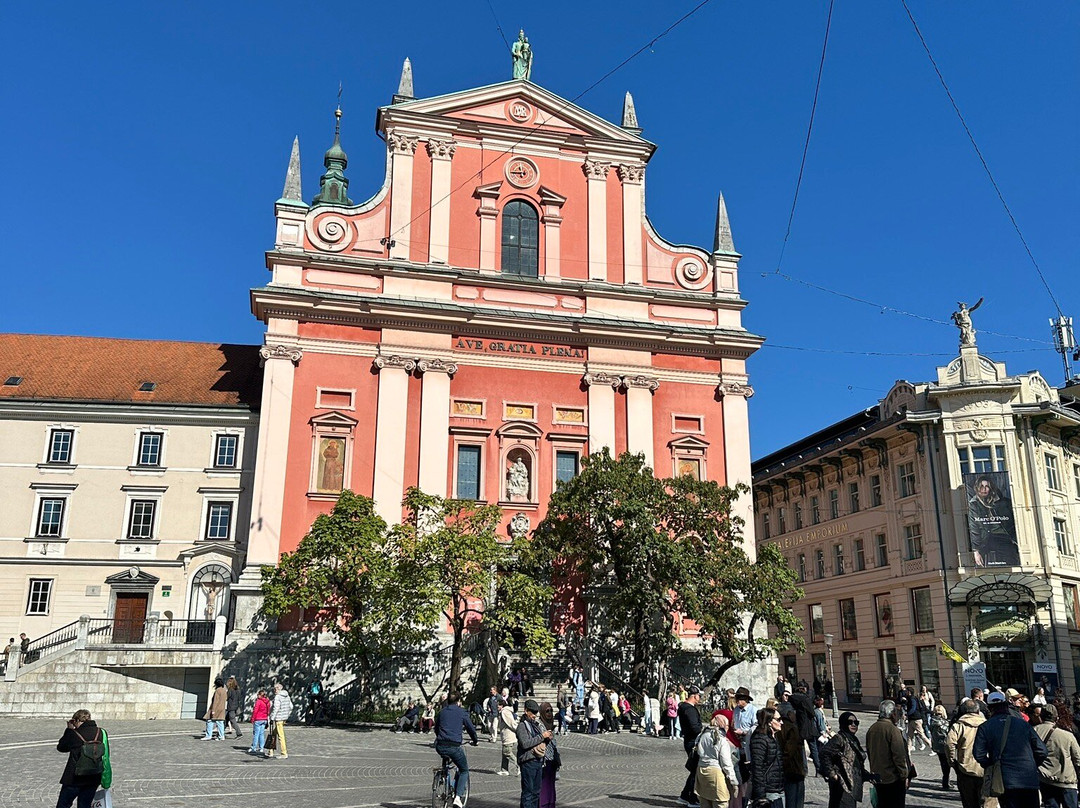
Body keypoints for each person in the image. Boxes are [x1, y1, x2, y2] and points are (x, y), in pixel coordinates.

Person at [974, 690, 1047, 808]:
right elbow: (1042, 751)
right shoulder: (1022, 724)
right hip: (1028, 778)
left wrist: (992, 765)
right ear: (1005, 704)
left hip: (1005, 780)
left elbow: (978, 754)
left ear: (989, 708)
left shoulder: (985, 727)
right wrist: (1032, 764)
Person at [56, 709, 111, 808]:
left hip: (74, 778)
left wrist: (69, 729)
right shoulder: (101, 732)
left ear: (77, 721)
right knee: (85, 805)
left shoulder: (73, 734)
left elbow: (61, 747)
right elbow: (106, 754)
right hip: (94, 776)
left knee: (63, 805)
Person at [821, 711, 874, 808]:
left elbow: (856, 764)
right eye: (850, 722)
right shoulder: (839, 738)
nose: (854, 725)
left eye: (856, 723)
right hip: (842, 785)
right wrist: (833, 774)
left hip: (852, 785)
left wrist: (868, 776)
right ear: (844, 723)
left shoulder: (853, 739)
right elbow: (825, 753)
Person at [435, 692, 478, 808]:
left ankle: (443, 774)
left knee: (446, 756)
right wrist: (475, 740)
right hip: (454, 746)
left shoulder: (442, 712)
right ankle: (458, 798)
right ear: (458, 701)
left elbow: (436, 728)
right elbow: (470, 728)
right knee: (464, 770)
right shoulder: (461, 712)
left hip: (440, 745)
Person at [865, 700, 911, 808]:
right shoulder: (892, 730)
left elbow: (870, 753)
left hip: (878, 777)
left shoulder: (872, 728)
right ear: (892, 713)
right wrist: (904, 775)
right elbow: (899, 755)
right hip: (892, 778)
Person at [1034, 703, 1080, 808]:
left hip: (1044, 780)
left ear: (1040, 717)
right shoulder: (1067, 735)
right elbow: (1078, 759)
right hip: (1067, 781)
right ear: (1057, 717)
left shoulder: (1033, 732)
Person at [968, 475, 1021, 566]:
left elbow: (1013, 522)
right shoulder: (974, 505)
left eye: (987, 486)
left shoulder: (1004, 502)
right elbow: (974, 528)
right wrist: (976, 551)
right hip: (985, 538)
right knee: (979, 564)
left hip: (1004, 536)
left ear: (991, 488)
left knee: (1010, 559)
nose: (984, 489)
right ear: (977, 488)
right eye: (981, 486)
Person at [946, 699, 986, 808]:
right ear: (978, 711)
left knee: (969, 803)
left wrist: (951, 761)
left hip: (965, 769)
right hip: (985, 769)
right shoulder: (987, 724)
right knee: (985, 803)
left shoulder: (958, 726)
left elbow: (949, 744)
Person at [695, 713, 739, 808]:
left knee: (705, 802)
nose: (728, 728)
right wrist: (734, 781)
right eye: (727, 725)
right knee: (721, 803)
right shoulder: (721, 740)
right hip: (715, 773)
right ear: (721, 725)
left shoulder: (702, 735)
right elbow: (726, 763)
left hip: (701, 770)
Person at [517, 699, 553, 808]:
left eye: (535, 713)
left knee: (536, 792)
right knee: (528, 793)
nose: (534, 715)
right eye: (532, 712)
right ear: (525, 710)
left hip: (538, 761)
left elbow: (540, 740)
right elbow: (525, 743)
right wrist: (542, 736)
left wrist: (547, 738)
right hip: (528, 762)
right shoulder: (522, 726)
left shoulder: (536, 725)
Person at [750, 707, 785, 808]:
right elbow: (757, 768)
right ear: (769, 722)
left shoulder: (773, 737)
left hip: (778, 788)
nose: (781, 722)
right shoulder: (760, 739)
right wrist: (761, 795)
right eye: (778, 719)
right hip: (768, 791)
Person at [678, 686, 705, 807]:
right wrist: (702, 731)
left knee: (694, 769)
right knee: (696, 770)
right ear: (694, 696)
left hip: (689, 740)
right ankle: (692, 798)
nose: (700, 698)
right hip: (693, 741)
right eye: (699, 696)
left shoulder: (685, 708)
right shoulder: (689, 710)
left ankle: (684, 795)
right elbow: (695, 727)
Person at [777, 703, 807, 808]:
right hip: (793, 769)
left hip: (793, 769)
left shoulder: (785, 727)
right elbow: (789, 751)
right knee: (793, 799)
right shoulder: (789, 728)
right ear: (789, 714)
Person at [538, 702, 561, 808]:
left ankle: (551, 804)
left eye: (551, 710)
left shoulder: (551, 724)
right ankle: (543, 804)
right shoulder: (539, 725)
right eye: (547, 711)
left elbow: (554, 743)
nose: (550, 713)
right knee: (544, 786)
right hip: (543, 760)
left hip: (552, 760)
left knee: (551, 785)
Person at [927, 704, 951, 790]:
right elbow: (948, 733)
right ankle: (946, 782)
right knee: (948, 764)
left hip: (937, 746)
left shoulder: (932, 721)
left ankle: (946, 781)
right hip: (944, 745)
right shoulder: (944, 722)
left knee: (943, 763)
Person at [267, 681, 293, 759]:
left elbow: (276, 708)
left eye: (275, 689)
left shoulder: (278, 697)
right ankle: (270, 751)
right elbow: (291, 706)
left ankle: (284, 753)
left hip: (278, 718)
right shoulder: (287, 696)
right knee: (274, 733)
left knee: (280, 736)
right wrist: (287, 714)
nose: (274, 691)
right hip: (284, 717)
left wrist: (272, 718)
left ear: (277, 689)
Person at [498, 695, 519, 776]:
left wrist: (518, 730)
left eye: (499, 705)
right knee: (504, 753)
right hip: (506, 736)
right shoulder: (503, 711)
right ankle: (504, 769)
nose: (497, 707)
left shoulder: (505, 712)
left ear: (502, 705)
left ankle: (518, 765)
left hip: (508, 736)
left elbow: (511, 723)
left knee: (507, 752)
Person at [248, 689, 271, 754]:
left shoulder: (258, 701)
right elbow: (268, 710)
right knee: (261, 734)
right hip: (264, 719)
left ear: (259, 695)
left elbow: (255, 710)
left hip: (258, 719)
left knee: (256, 734)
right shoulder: (267, 701)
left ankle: (253, 747)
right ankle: (261, 748)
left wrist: (252, 718)